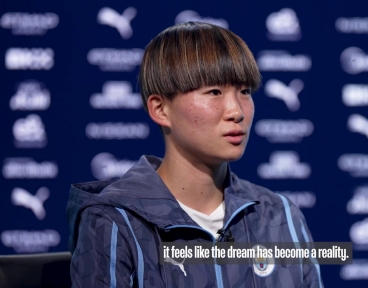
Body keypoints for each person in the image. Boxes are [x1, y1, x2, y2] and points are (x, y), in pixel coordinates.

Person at [66, 21, 323, 288]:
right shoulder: (115, 220)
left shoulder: (281, 215)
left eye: (245, 91)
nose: (237, 111)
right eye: (214, 92)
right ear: (160, 109)